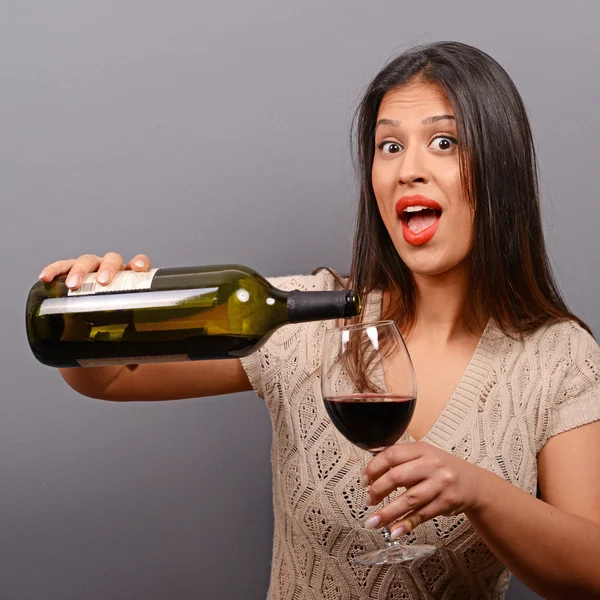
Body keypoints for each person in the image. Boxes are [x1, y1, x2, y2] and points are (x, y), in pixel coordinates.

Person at [38, 41, 600, 599]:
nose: (408, 170)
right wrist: (94, 307)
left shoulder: (558, 359)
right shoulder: (306, 315)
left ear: (499, 166)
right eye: (388, 146)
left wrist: (480, 492)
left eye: (443, 142)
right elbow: (107, 377)